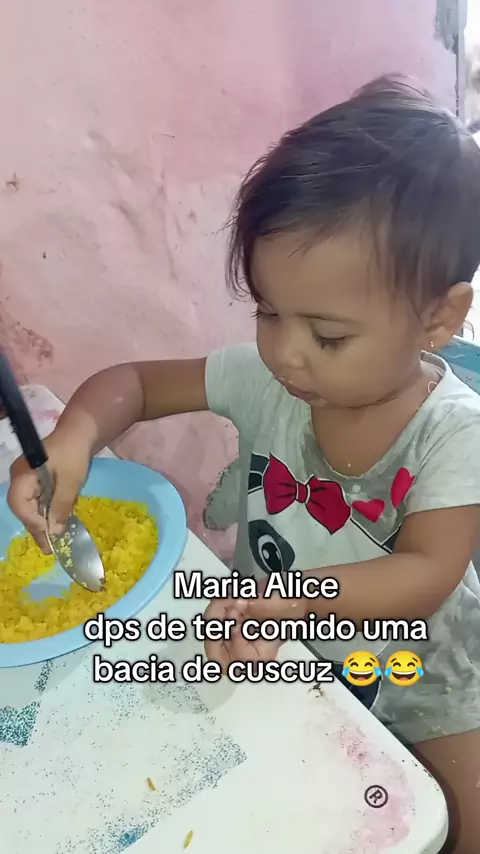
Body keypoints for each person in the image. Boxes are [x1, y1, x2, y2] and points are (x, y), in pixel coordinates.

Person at [7, 76, 480, 852]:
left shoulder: (454, 433)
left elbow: (425, 574)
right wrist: (75, 439)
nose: (286, 352)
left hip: (420, 670)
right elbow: (135, 384)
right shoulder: (271, 379)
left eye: (327, 335)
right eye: (267, 311)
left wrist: (293, 600)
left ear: (439, 318)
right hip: (270, 637)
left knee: (443, 821)